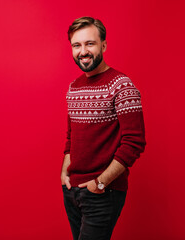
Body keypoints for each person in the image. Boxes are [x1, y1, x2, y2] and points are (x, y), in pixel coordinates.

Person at [61, 16, 146, 240]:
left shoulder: (122, 85)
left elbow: (134, 142)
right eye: (76, 45)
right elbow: (72, 138)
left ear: (104, 45)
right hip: (72, 191)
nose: (83, 51)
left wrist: (100, 182)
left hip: (101, 191)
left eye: (90, 43)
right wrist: (64, 173)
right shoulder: (73, 87)